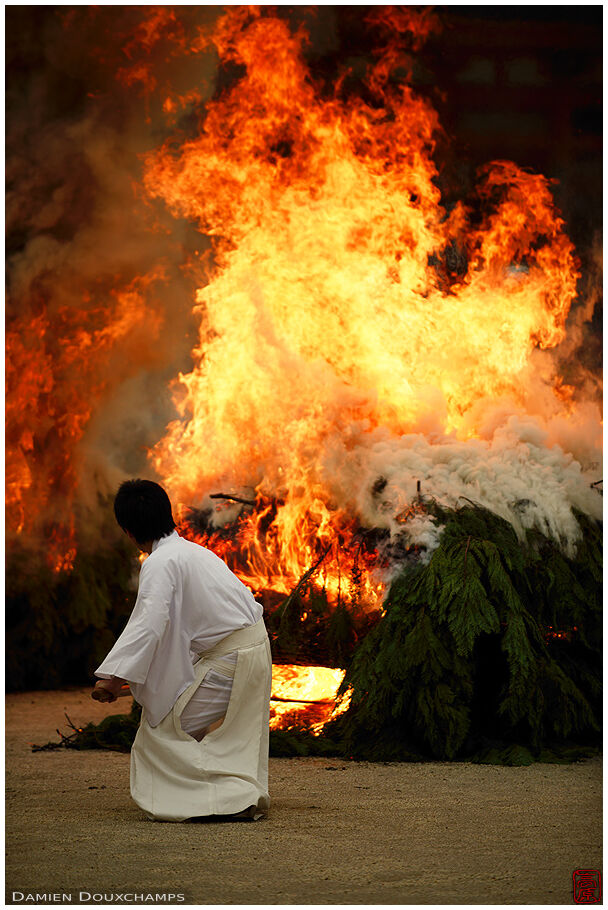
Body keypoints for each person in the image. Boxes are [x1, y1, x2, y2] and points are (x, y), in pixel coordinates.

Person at [92, 479, 272, 822]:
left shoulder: (161, 562)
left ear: (128, 532)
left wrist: (114, 679)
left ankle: (221, 801)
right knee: (183, 724)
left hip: (233, 658)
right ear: (167, 515)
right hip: (249, 652)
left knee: (163, 731)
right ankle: (230, 796)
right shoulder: (191, 551)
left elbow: (149, 624)